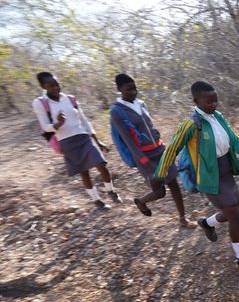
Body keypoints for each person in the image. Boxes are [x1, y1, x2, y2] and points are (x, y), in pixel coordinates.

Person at [154, 81, 239, 268]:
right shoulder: (191, 124)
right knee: (235, 215)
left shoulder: (218, 116)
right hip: (208, 174)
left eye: (215, 100)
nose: (214, 104)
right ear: (196, 101)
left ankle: (207, 223)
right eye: (209, 101)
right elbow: (172, 149)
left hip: (226, 170)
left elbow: (234, 139)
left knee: (234, 210)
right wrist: (160, 174)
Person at [110, 73, 194, 228]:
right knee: (159, 192)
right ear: (119, 89)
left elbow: (150, 126)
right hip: (143, 156)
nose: (134, 92)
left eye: (135, 88)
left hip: (159, 149)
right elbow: (127, 139)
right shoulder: (117, 111)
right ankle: (140, 202)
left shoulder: (141, 104)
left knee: (173, 182)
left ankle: (183, 219)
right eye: (129, 89)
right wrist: (142, 159)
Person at [32, 72, 122, 209]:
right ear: (43, 86)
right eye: (51, 85)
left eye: (57, 84)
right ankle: (97, 201)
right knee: (84, 172)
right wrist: (58, 124)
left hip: (83, 137)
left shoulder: (70, 99)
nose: (56, 88)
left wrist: (97, 141)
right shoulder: (40, 103)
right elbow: (45, 127)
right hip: (66, 142)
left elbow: (84, 120)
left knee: (101, 165)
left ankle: (111, 191)